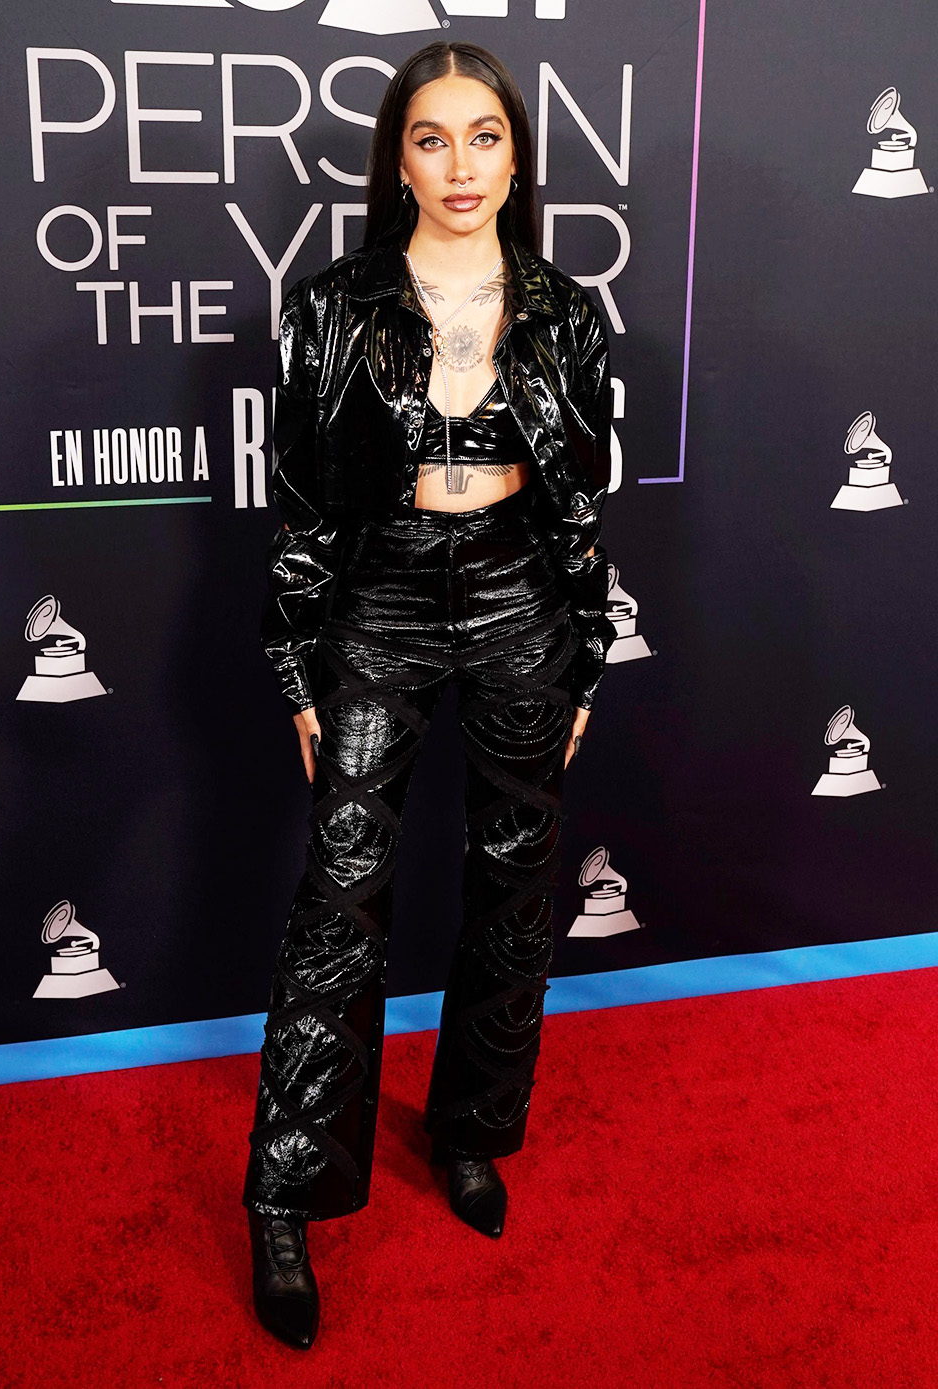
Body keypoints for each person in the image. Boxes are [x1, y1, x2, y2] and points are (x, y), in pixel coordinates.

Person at [242, 39, 617, 1350]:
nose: (462, 166)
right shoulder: (337, 303)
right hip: (383, 599)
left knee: (516, 884)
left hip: (521, 596)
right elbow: (302, 501)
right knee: (340, 899)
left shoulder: (567, 311)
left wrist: (587, 639)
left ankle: (470, 1129)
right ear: (395, 160)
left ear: (519, 154)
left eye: (486, 137)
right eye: (432, 138)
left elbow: (580, 498)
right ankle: (285, 1192)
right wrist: (299, 655)